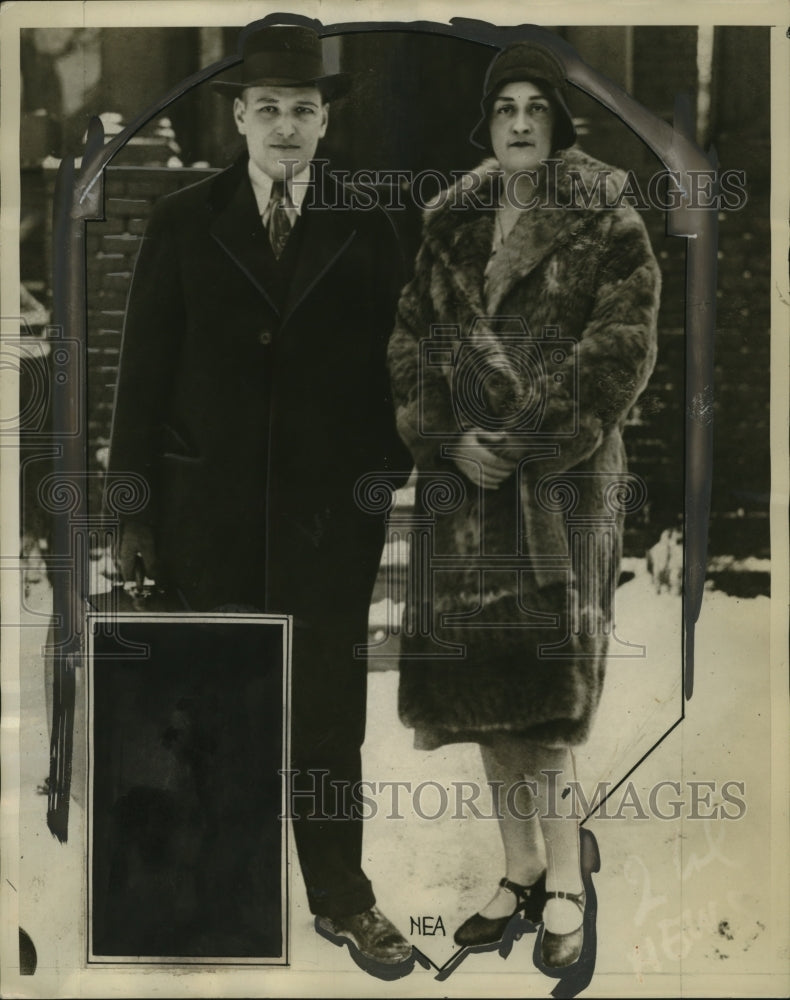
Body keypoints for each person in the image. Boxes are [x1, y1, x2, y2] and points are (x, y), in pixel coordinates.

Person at [108, 23, 413, 973]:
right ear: (238, 117)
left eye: (305, 111)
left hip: (328, 523)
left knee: (327, 712)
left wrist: (382, 476)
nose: (287, 127)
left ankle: (343, 898)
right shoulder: (183, 221)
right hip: (209, 514)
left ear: (326, 125)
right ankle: (212, 899)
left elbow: (402, 369)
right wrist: (135, 512)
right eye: (270, 108)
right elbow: (142, 377)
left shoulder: (369, 224)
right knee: (213, 705)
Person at [387, 40, 660, 969]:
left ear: (560, 120)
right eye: (503, 108)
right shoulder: (450, 219)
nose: (518, 123)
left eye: (534, 107)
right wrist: (447, 437)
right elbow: (410, 340)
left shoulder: (606, 215)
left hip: (559, 486)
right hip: (462, 491)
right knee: (483, 693)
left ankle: (568, 886)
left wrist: (524, 438)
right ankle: (518, 870)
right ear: (486, 124)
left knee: (545, 701)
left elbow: (622, 345)